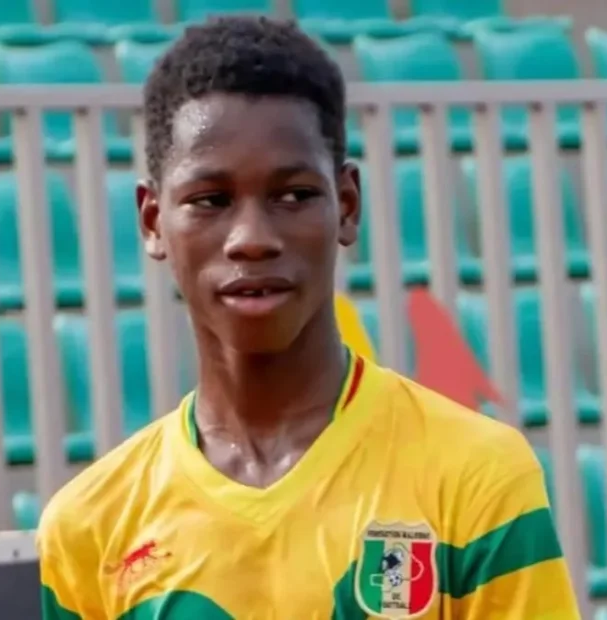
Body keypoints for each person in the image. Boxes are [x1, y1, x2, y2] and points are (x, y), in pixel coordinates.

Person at [36, 16, 579, 619]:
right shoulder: (90, 528)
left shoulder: (476, 476)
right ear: (152, 220)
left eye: (293, 195)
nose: (251, 238)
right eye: (210, 201)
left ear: (346, 205)